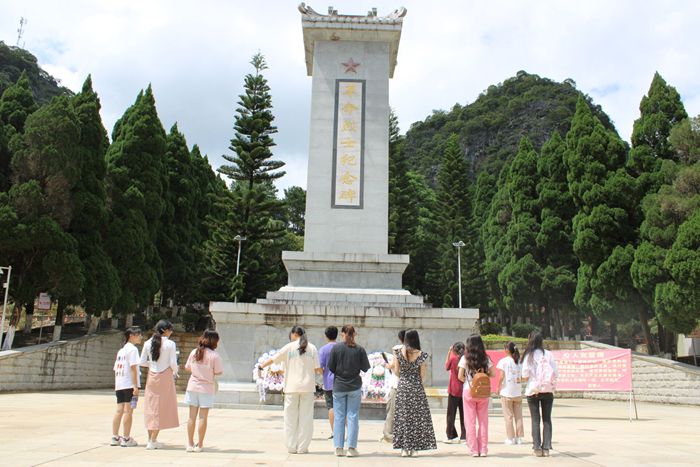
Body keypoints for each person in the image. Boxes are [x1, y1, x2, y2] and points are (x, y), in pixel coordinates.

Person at [259, 325, 320, 454]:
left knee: (290, 418)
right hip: (308, 387)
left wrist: (261, 366)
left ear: (293, 334)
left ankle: (291, 446)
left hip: (291, 387)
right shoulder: (313, 348)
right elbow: (317, 368)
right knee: (306, 418)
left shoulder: (289, 347)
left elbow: (273, 359)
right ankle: (303, 447)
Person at [392, 329, 437, 457]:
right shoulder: (421, 354)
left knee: (403, 417)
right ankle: (415, 447)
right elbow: (423, 375)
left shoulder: (398, 353)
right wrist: (415, 379)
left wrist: (405, 376)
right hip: (416, 387)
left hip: (403, 387)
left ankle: (404, 448)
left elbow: (396, 371)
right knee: (417, 418)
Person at [328, 324, 370, 457]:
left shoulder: (336, 348)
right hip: (354, 386)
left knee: (339, 417)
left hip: (339, 386)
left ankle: (338, 448)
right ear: (354, 334)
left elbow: (331, 368)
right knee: (352, 417)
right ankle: (351, 448)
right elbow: (365, 368)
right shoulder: (360, 349)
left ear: (342, 334)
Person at [140, 319, 179, 450]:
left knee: (151, 407)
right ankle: (153, 440)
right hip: (165, 376)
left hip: (152, 376)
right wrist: (175, 371)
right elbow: (173, 363)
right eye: (170, 330)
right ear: (166, 330)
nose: (171, 332)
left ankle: (151, 439)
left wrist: (151, 364)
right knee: (162, 407)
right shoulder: (170, 344)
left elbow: (142, 362)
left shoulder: (147, 343)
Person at [184, 329, 224, 453]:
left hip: (192, 386)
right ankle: (200, 444)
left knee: (191, 417)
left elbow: (187, 368)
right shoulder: (214, 356)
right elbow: (218, 371)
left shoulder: (194, 352)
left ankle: (190, 443)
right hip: (206, 388)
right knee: (203, 417)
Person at [458, 334, 496, 457]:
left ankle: (474, 450)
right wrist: (482, 377)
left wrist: (470, 380)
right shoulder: (486, 358)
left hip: (469, 391)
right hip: (483, 392)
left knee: (470, 422)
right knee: (483, 421)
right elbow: (493, 374)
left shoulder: (465, 358)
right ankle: (483, 449)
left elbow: (460, 376)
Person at [521, 332, 558, 457]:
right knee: (547, 419)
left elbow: (525, 376)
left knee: (535, 419)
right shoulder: (548, 354)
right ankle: (546, 448)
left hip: (533, 391)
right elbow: (555, 373)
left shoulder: (529, 356)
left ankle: (537, 447)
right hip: (548, 390)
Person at [111, 326, 143, 447]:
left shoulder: (121, 350)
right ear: (131, 336)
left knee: (119, 410)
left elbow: (116, 369)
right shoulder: (133, 350)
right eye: (138, 334)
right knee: (128, 412)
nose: (140, 337)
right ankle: (126, 438)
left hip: (120, 384)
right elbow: (134, 368)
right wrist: (135, 386)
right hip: (129, 384)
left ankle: (115, 437)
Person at [497, 341, 524, 445]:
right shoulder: (519, 362)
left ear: (507, 350)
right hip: (517, 392)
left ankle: (510, 438)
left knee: (508, 416)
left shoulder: (504, 361)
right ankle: (519, 437)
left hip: (507, 392)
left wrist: (498, 387)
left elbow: (501, 376)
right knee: (518, 416)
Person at [381, 329, 405, 443]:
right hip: (409, 384)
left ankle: (389, 435)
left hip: (397, 383)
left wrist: (388, 366)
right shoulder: (415, 351)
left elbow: (395, 367)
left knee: (392, 409)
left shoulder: (397, 349)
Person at [318, 326, 338, 438]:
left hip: (328, 382)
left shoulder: (323, 349)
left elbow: (320, 367)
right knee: (342, 407)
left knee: (331, 407)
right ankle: (344, 431)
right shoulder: (341, 347)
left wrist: (324, 374)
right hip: (341, 382)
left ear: (326, 336)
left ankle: (334, 431)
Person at [444, 341, 466, 444]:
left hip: (453, 389)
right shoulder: (466, 360)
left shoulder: (453, 359)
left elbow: (446, 367)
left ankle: (450, 435)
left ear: (454, 350)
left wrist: (449, 352)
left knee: (451, 414)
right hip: (464, 389)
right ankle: (464, 436)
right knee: (464, 414)